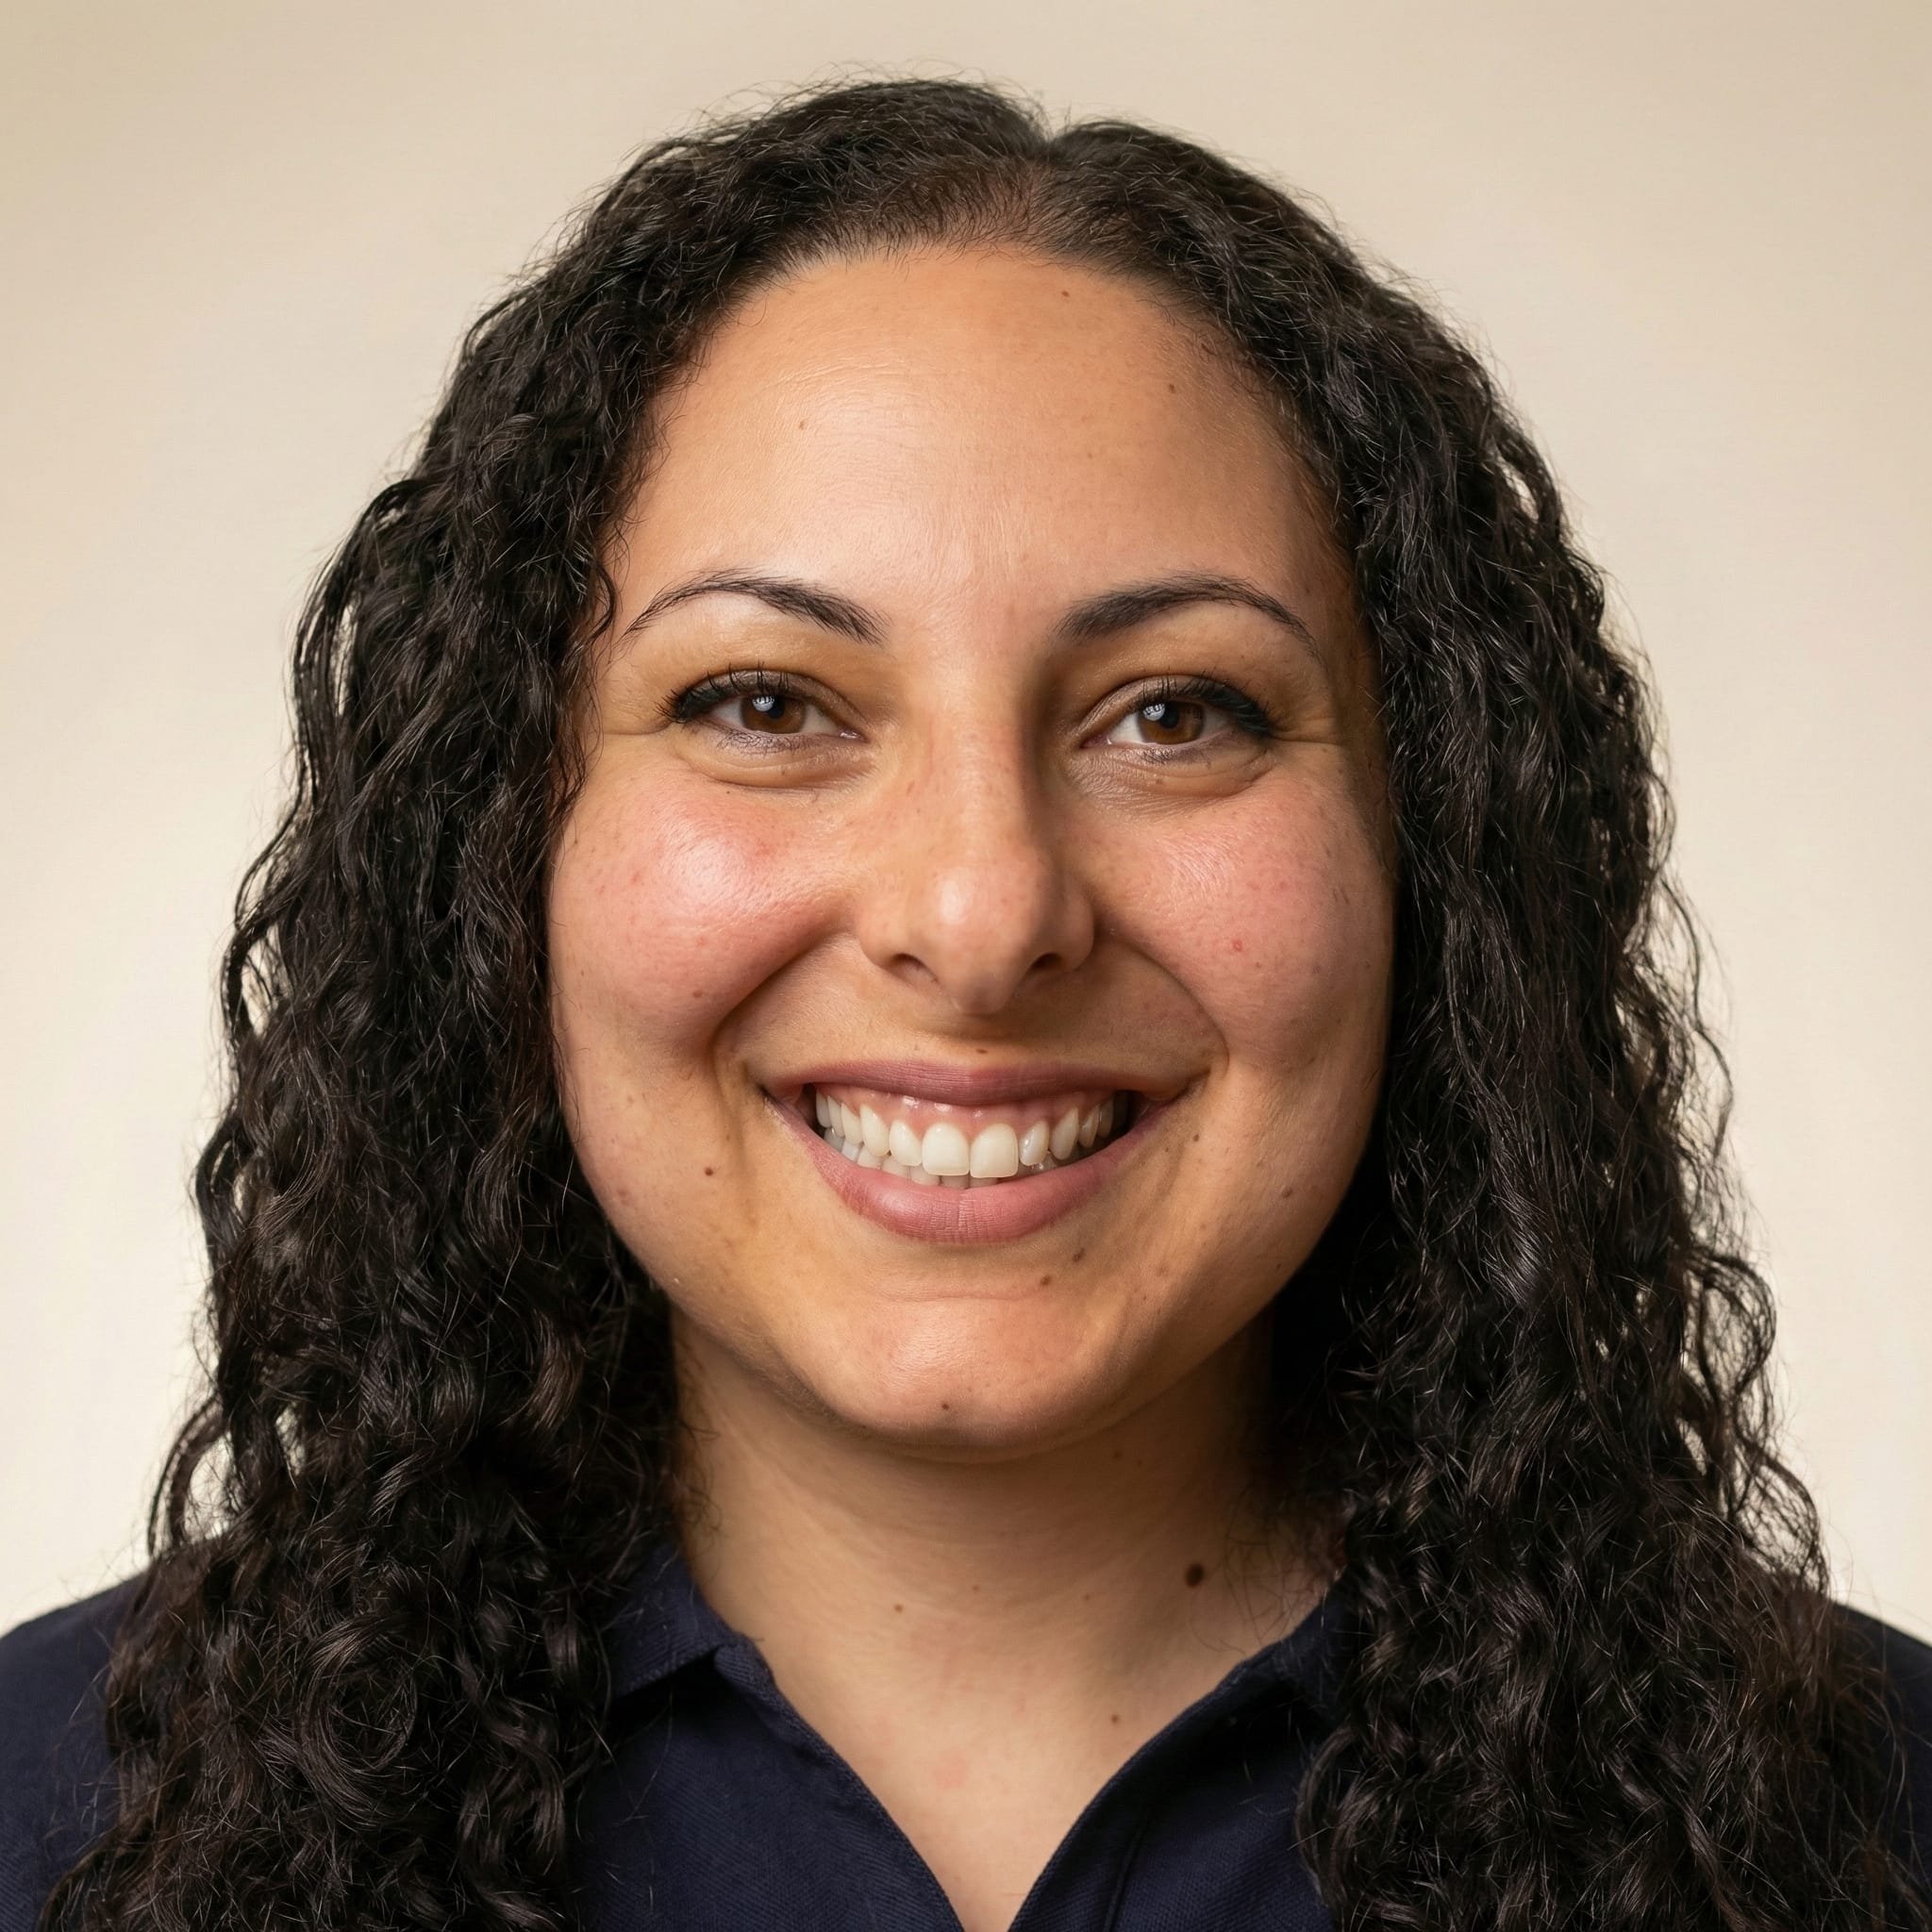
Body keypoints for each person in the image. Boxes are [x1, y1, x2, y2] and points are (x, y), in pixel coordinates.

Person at [2, 74, 1927, 1932]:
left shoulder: (1877, 1828)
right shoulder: (50, 1829)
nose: (983, 911)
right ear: (498, 851)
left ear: (1432, 851)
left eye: (1177, 714)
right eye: (765, 705)